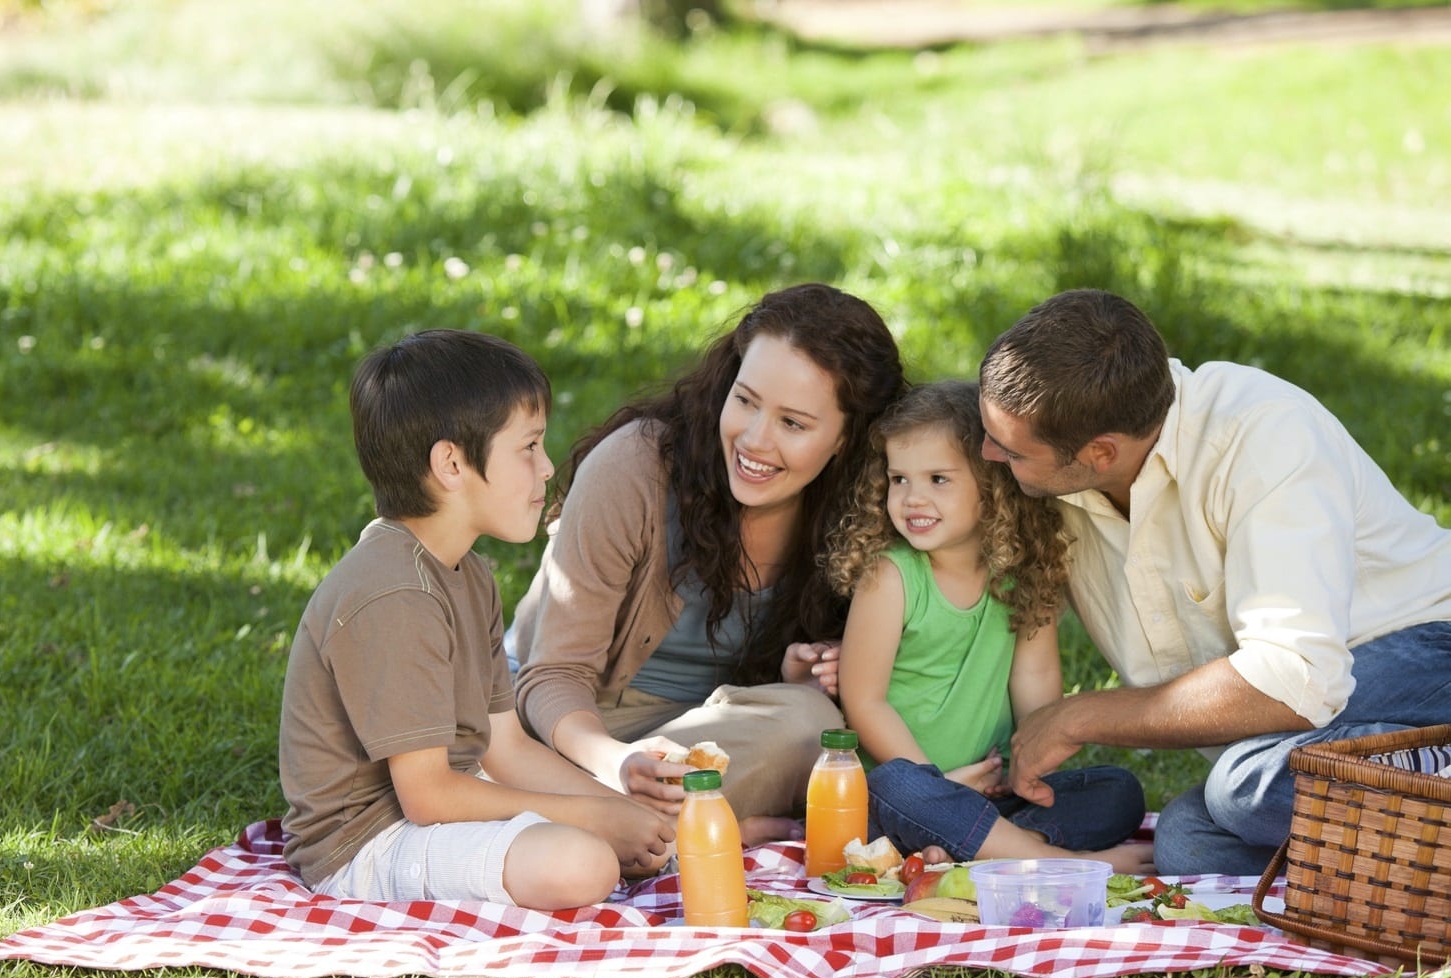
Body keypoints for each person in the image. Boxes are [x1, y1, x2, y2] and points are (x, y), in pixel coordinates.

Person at [977, 289, 1451, 876]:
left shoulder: (1263, 435)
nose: (986, 453)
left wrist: (1080, 715)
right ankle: (1412, 846)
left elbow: (1296, 678)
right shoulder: (1064, 473)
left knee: (1245, 785)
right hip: (1300, 729)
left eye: (1011, 450)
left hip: (1427, 652)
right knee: (1191, 844)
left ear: (1101, 452)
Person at [279, 329, 674, 909]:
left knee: (626, 832)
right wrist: (594, 818)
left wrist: (616, 808)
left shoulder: (469, 573)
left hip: (449, 802)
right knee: (583, 861)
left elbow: (505, 747)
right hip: (366, 842)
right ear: (452, 463)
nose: (546, 469)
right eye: (529, 447)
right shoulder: (395, 593)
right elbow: (427, 797)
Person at [509, 283, 907, 843]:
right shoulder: (634, 470)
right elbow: (551, 676)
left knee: (810, 724)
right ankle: (700, 828)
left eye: (793, 423)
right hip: (575, 727)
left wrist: (806, 674)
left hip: (711, 739)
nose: (754, 439)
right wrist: (617, 764)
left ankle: (634, 828)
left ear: (847, 438)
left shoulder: (869, 512)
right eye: (745, 401)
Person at [821, 381, 1152, 872]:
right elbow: (864, 700)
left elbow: (1035, 681)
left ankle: (989, 847)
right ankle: (1059, 861)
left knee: (1118, 791)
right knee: (897, 786)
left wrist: (1029, 766)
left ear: (992, 487)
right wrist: (937, 782)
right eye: (899, 479)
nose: (912, 497)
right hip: (904, 798)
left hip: (991, 793)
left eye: (938, 479)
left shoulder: (1023, 574)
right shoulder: (890, 576)